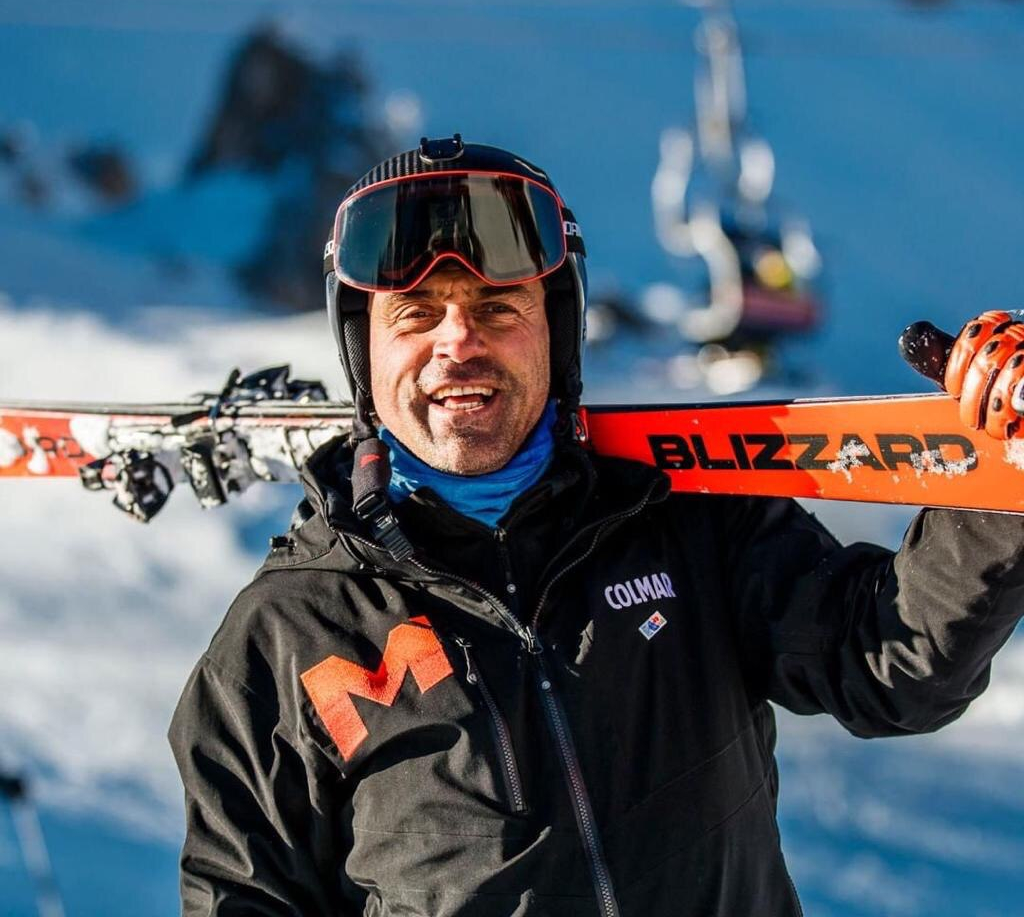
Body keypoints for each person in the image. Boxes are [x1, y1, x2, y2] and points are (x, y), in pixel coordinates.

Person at [169, 135, 1024, 917]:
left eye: (499, 308)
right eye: (416, 314)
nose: (458, 343)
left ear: (557, 332)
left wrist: (1003, 472)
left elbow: (890, 666)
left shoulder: (682, 520)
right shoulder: (289, 636)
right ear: (365, 351)